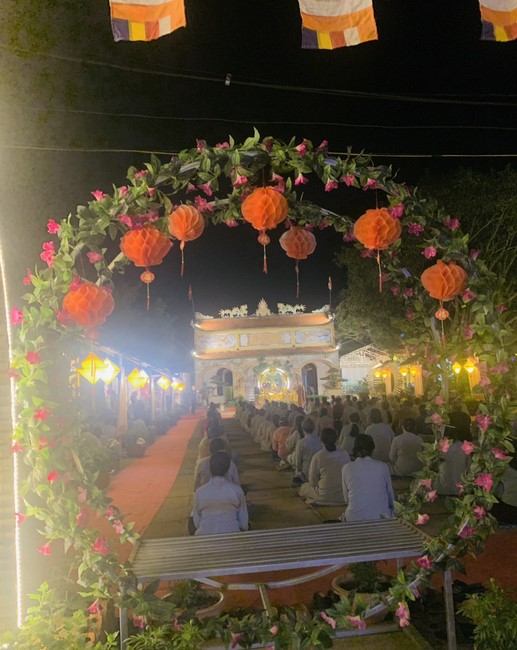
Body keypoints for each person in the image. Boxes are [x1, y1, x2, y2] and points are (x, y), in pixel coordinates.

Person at [341, 434, 395, 522]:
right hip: (382, 518)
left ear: (356, 449)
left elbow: (346, 500)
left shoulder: (347, 468)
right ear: (372, 449)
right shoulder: (383, 466)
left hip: (354, 519)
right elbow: (391, 498)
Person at [192, 451, 248, 535]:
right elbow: (244, 524)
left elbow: (197, 523)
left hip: (205, 536)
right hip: (232, 537)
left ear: (210, 468)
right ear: (228, 468)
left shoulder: (200, 492)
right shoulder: (236, 491)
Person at [299, 429, 350, 504]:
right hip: (343, 496)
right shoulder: (345, 454)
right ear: (336, 439)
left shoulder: (318, 456)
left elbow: (313, 482)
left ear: (321, 440)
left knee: (304, 487)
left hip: (324, 495)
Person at [435, 425, 469, 496]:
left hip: (442, 489)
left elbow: (434, 466)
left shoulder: (440, 447)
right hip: (459, 489)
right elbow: (469, 467)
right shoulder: (465, 447)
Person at [293, 418, 322, 483]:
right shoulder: (319, 442)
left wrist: (298, 471)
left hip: (306, 474)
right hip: (318, 473)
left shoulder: (301, 442)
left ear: (303, 429)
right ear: (313, 428)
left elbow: (298, 462)